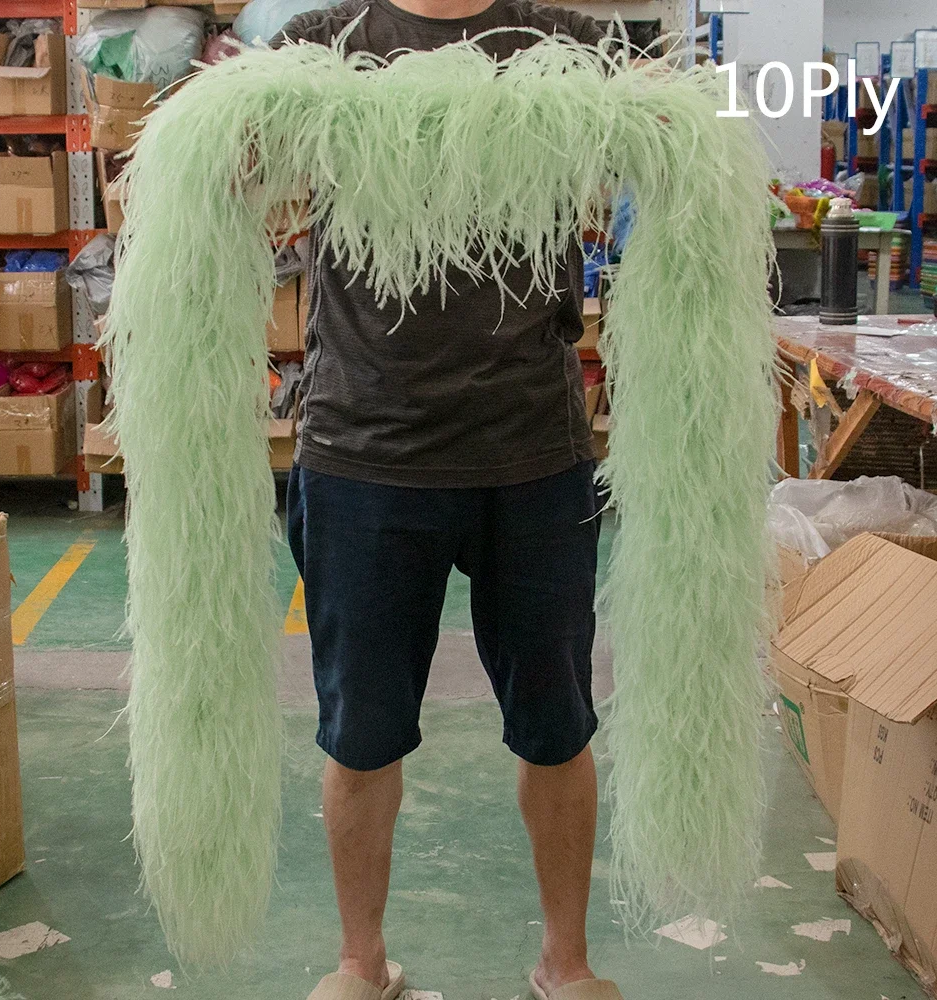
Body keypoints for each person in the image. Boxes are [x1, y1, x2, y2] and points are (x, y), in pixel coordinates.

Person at [276, 3, 619, 998]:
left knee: (558, 722)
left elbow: (677, 133)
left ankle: (565, 961)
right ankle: (361, 961)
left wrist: (667, 124)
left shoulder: (565, 43)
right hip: (364, 449)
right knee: (360, 729)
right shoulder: (323, 41)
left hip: (533, 450)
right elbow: (234, 170)